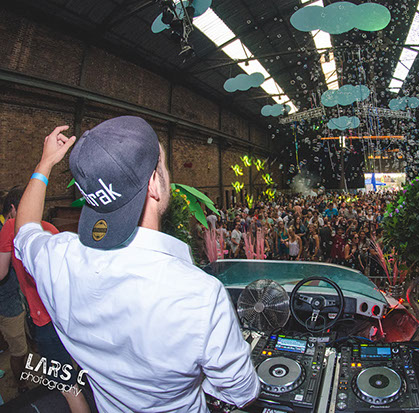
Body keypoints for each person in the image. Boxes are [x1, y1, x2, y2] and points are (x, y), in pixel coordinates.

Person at [13, 118, 259, 412]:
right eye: (163, 165)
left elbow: (24, 231)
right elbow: (242, 393)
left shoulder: (58, 260)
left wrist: (45, 164)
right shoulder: (199, 296)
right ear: (154, 184)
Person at [0, 187, 89, 411]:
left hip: (46, 317)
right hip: (70, 312)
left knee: (67, 386)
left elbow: (0, 272)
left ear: (15, 209)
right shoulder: (51, 228)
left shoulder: (11, 226)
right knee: (78, 366)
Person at [0, 195, 29, 394]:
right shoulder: (6, 229)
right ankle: (22, 386)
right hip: (8, 302)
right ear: (12, 209)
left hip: (10, 297)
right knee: (20, 350)